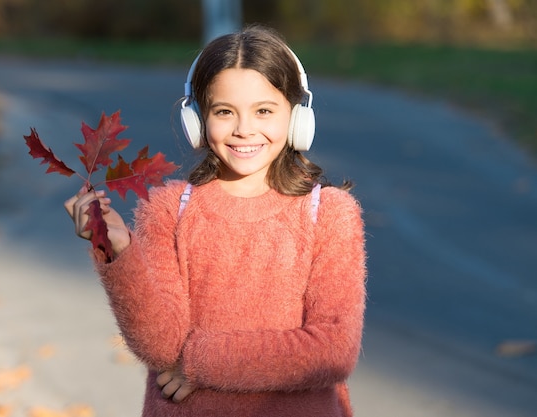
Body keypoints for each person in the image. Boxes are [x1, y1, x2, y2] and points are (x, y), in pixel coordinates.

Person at [64, 24, 367, 417]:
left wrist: (200, 363)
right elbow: (159, 346)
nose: (244, 129)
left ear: (296, 116)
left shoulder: (329, 215)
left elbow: (332, 351)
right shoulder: (169, 209)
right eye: (224, 112)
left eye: (264, 111)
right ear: (197, 120)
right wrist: (117, 248)